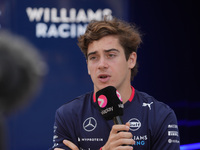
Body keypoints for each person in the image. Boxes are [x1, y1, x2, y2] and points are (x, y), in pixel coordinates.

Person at [50, 17, 180, 150]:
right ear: (88, 66)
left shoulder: (160, 115)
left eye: (110, 55)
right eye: (94, 57)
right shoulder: (68, 115)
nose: (101, 65)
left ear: (131, 60)